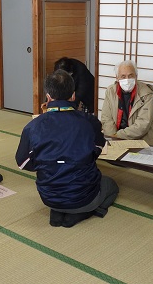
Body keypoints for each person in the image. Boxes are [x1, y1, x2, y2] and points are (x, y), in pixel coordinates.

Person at [15, 69, 119, 228]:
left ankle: (58, 211)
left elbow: (22, 162)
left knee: (62, 189)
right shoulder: (90, 122)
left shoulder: (33, 127)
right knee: (111, 185)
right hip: (83, 195)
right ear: (73, 95)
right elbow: (97, 150)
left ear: (48, 97)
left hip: (48, 196)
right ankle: (82, 213)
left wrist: (49, 164)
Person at [101, 60, 153, 146]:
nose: (127, 80)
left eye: (130, 76)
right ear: (117, 78)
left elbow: (143, 124)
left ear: (136, 76)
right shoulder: (110, 91)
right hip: (114, 137)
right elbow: (106, 118)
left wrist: (118, 136)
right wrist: (112, 137)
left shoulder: (146, 93)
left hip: (141, 140)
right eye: (123, 76)